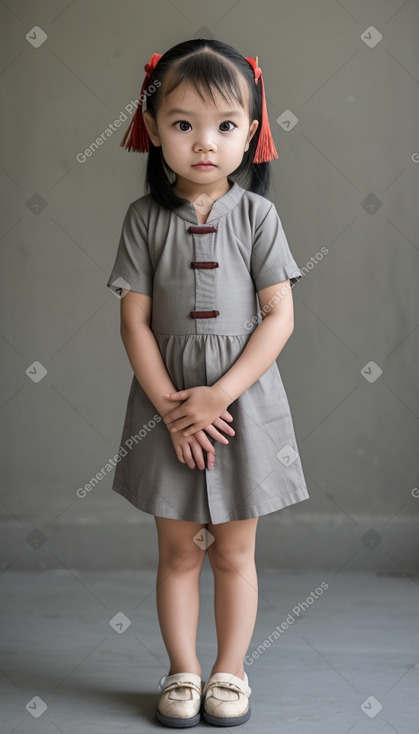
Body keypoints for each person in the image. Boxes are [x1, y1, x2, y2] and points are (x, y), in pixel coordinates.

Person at [106, 38, 310, 728]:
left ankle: (229, 670)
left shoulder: (257, 217)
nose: (204, 142)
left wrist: (218, 396)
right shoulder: (143, 220)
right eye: (183, 123)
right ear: (153, 127)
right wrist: (171, 408)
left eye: (225, 126)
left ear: (251, 134)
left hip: (242, 404)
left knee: (232, 550)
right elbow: (134, 322)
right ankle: (182, 672)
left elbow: (279, 318)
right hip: (164, 407)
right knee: (176, 551)